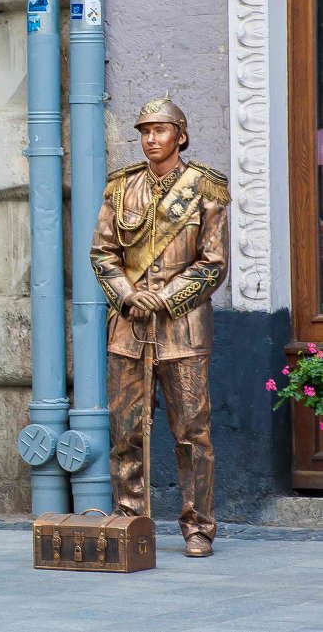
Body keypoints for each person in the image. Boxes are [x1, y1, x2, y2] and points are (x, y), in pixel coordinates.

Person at [90, 98, 230, 557]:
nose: (151, 139)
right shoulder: (121, 187)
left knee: (192, 433)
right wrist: (129, 295)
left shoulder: (206, 189)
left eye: (160, 130)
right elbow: (103, 253)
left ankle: (198, 526)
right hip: (128, 327)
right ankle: (131, 522)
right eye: (145, 131)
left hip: (183, 331)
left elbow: (213, 264)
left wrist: (166, 298)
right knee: (125, 430)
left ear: (180, 136)